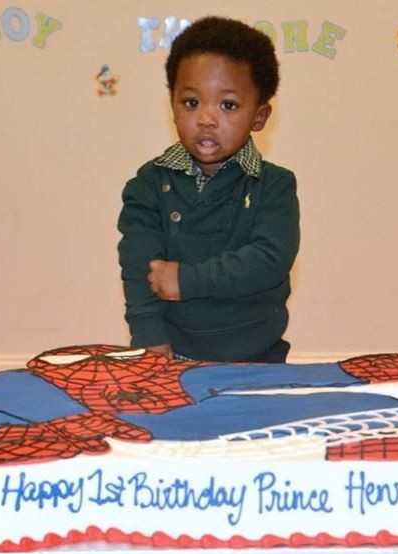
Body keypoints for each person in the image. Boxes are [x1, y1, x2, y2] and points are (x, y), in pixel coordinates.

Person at [117, 16, 300, 362]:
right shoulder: (148, 185)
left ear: (259, 116)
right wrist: (149, 338)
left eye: (228, 105)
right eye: (191, 102)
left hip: (259, 357)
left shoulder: (274, 186)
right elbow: (139, 269)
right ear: (172, 105)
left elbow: (268, 261)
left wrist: (186, 280)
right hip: (173, 356)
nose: (206, 119)